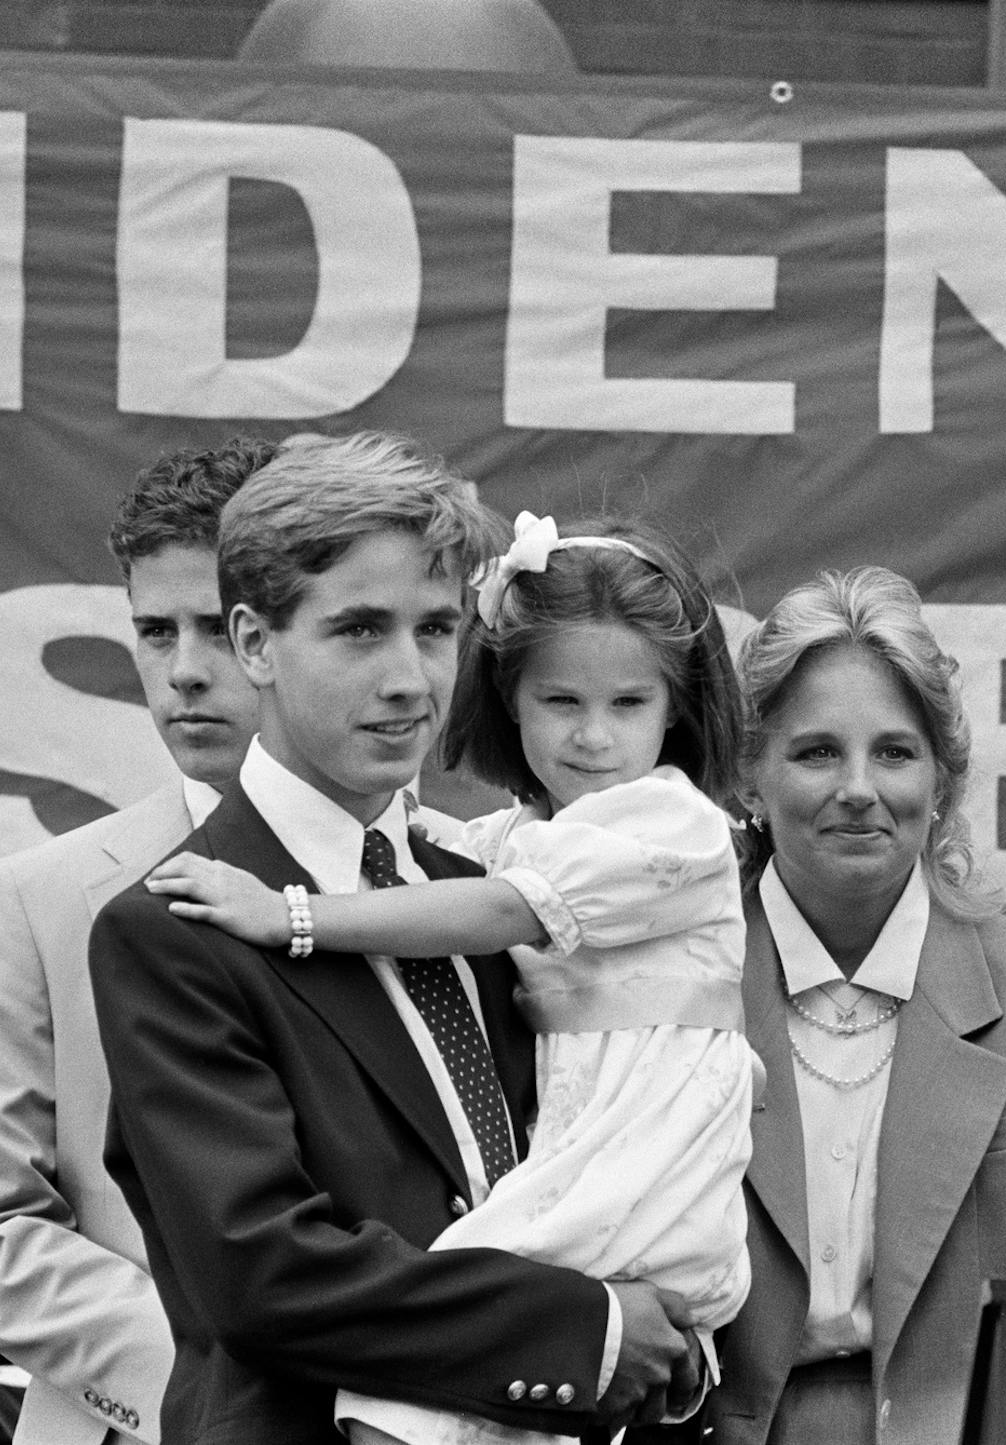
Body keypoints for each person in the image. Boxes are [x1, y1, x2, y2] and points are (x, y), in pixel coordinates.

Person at [86, 434, 701, 1445]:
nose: (412, 678)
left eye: (436, 628)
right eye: (361, 630)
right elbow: (265, 1273)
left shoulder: (487, 897)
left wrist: (673, 1325)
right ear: (252, 642)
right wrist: (585, 1331)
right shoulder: (170, 932)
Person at [710, 566, 1006, 1445]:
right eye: (817, 751)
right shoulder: (680, 980)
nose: (859, 787)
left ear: (942, 780)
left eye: (895, 752)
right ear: (750, 777)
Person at [0, 437, 276, 1445]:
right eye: (154, 632)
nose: (185, 671)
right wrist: (215, 1386)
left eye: (220, 627)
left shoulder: (456, 883)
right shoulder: (45, 894)